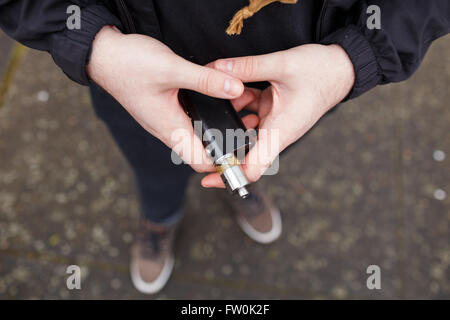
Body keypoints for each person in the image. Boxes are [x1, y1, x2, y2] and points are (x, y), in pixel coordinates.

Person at [1, 0, 448, 294]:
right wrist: (94, 47)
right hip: (131, 78)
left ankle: (245, 186)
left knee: (264, 153)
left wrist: (355, 59)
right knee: (153, 165)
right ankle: (160, 218)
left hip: (293, 84)